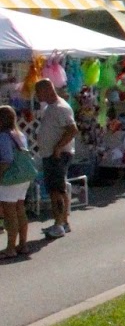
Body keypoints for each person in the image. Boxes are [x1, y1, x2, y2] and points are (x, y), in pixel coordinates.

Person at [33, 79, 78, 239]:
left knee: (55, 190)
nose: (36, 95)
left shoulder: (60, 108)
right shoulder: (51, 107)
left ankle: (59, 224)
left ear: (47, 90)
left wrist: (58, 147)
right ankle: (63, 221)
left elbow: (72, 130)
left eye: (38, 92)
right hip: (51, 154)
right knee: (59, 188)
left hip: (57, 155)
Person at [0, 106, 34, 259]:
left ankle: (10, 248)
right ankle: (23, 244)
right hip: (24, 176)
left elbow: (7, 160)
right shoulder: (19, 135)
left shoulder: (3, 136)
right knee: (20, 209)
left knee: (9, 213)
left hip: (10, 178)